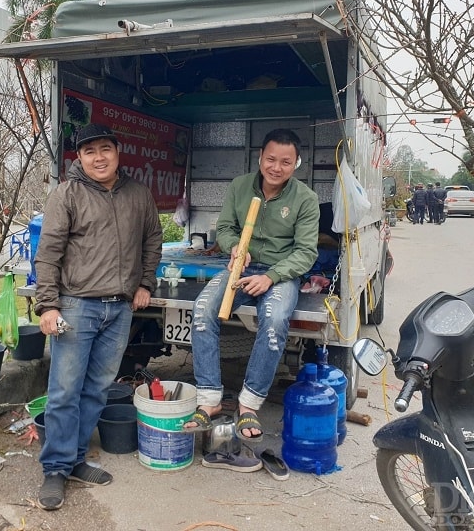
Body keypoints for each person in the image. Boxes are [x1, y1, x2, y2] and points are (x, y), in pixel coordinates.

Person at [32, 123, 162, 510]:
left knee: (96, 390)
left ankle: (74, 461)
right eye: (90, 151)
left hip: (120, 308)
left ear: (118, 152)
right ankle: (55, 469)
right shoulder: (66, 195)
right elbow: (49, 252)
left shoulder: (138, 194)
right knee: (64, 392)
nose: (99, 157)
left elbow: (152, 240)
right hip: (76, 305)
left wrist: (146, 284)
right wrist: (48, 304)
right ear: (79, 157)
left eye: (105, 149)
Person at [183, 128, 319, 441]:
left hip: (280, 273)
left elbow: (306, 252)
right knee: (203, 310)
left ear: (296, 164)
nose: (276, 167)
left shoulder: (306, 199)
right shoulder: (240, 186)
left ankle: (249, 404)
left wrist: (270, 277)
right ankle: (209, 399)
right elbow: (226, 228)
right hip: (241, 267)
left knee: (273, 321)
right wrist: (234, 247)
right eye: (271, 159)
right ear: (260, 157)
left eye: (286, 162)